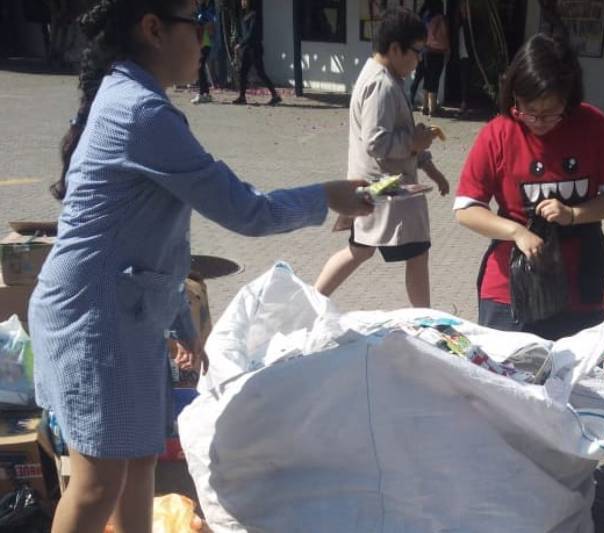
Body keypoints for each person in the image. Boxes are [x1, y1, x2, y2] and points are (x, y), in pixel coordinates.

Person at [29, 1, 372, 531]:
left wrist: (181, 319)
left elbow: (159, 232)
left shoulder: (137, 99)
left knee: (141, 458)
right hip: (95, 320)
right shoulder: (141, 112)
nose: (208, 39)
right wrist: (327, 195)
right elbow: (245, 210)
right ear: (153, 29)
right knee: (97, 484)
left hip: (126, 313)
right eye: (200, 25)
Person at [454, 33, 604, 341]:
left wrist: (574, 213)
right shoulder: (499, 133)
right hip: (511, 286)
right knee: (503, 380)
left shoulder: (594, 126)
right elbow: (466, 209)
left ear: (568, 98)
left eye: (550, 113)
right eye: (528, 111)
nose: (537, 121)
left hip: (581, 284)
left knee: (572, 381)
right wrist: (516, 232)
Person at [314, 7, 449, 308]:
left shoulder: (384, 77)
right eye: (416, 52)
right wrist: (413, 143)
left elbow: (397, 135)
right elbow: (377, 142)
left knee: (361, 249)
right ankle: (424, 318)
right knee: (414, 251)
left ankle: (313, 300)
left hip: (379, 187)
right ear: (395, 48)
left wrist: (430, 166)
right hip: (386, 189)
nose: (419, 60)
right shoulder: (382, 84)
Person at [232, 0, 280, 105]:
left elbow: (251, 33)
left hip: (255, 48)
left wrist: (240, 44)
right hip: (248, 48)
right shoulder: (245, 15)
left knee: (260, 72)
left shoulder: (254, 14)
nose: (242, 2)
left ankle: (275, 95)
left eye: (245, 0)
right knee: (243, 72)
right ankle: (242, 97)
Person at [409, 0, 448, 116]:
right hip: (438, 52)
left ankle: (425, 107)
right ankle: (433, 109)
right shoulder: (441, 18)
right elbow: (445, 35)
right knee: (435, 78)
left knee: (426, 78)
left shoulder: (424, 17)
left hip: (425, 51)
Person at [191, 0, 215, 104]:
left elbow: (208, 24)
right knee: (200, 67)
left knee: (200, 67)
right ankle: (205, 93)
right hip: (203, 42)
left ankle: (203, 93)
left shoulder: (206, 11)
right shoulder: (202, 9)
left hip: (204, 42)